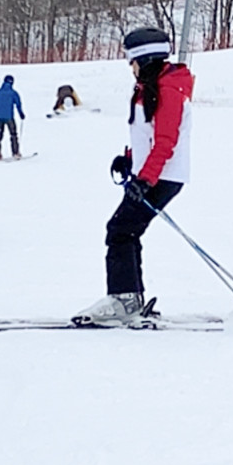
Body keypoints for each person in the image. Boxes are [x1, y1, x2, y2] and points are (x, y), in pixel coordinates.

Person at [75, 27, 195, 326]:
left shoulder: (168, 90)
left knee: (120, 230)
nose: (131, 68)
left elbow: (166, 141)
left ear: (145, 59)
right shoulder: (152, 87)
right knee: (126, 231)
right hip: (155, 174)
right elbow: (148, 136)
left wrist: (145, 180)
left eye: (132, 61)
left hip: (162, 176)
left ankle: (124, 299)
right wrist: (129, 159)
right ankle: (128, 297)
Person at [0, 74, 25, 158]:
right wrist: (21, 114)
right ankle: (15, 152)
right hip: (9, 117)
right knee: (13, 134)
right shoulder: (13, 93)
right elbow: (18, 104)